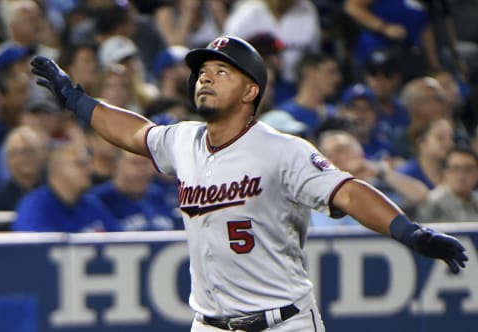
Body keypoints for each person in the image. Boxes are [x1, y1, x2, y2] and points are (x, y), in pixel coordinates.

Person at [30, 36, 467, 332]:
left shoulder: (281, 149)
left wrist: (408, 230)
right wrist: (75, 98)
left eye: (222, 71)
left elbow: (347, 191)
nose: (205, 76)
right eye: (203, 70)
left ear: (249, 91)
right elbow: (131, 132)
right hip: (210, 323)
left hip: (283, 322)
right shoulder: (183, 139)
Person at [13, 141, 121, 233]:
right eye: (81, 163)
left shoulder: (91, 203)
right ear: (58, 168)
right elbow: (35, 251)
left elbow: (120, 240)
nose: (90, 170)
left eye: (89, 163)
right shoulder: (34, 206)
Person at [90, 150, 182, 231]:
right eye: (135, 163)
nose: (141, 169)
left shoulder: (159, 195)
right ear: (117, 164)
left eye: (145, 163)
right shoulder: (99, 199)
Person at [416, 145, 478, 222]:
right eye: (455, 169)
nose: (461, 176)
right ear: (445, 172)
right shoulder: (432, 203)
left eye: (468, 169)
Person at [0, 125, 46, 211]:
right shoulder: (1, 198)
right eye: (21, 151)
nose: (27, 157)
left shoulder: (56, 191)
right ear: (9, 159)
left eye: (32, 150)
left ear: (42, 155)